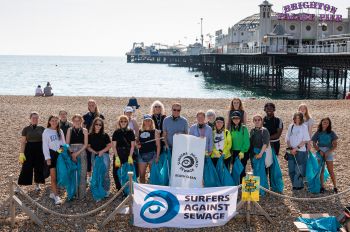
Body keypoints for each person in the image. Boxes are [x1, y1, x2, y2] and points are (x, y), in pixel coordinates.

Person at [18, 112, 46, 191]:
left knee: (39, 167)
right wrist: (21, 153)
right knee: (26, 167)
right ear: (30, 119)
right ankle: (20, 185)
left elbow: (46, 140)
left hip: (39, 149)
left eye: (36, 118)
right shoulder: (26, 129)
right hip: (29, 149)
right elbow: (23, 142)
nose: (35, 119)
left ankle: (38, 184)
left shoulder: (42, 128)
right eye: (33, 118)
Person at [42, 115, 66, 205]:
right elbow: (45, 146)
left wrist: (60, 152)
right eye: (52, 120)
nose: (54, 122)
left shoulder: (60, 131)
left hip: (59, 155)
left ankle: (53, 192)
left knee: (60, 175)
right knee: (53, 177)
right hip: (51, 155)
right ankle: (56, 196)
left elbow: (63, 144)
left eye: (56, 120)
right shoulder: (46, 131)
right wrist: (47, 158)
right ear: (49, 121)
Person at [312, 117, 338, 193]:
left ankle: (335, 186)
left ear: (329, 124)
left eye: (327, 122)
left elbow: (335, 145)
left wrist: (328, 152)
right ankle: (322, 187)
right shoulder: (318, 132)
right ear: (321, 123)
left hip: (328, 152)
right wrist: (319, 151)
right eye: (324, 122)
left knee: (331, 170)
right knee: (321, 170)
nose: (325, 124)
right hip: (320, 152)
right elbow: (314, 143)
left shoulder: (332, 133)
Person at [285, 112, 310, 190]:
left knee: (299, 169)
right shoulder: (290, 126)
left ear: (301, 119)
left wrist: (296, 148)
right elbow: (287, 138)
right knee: (291, 168)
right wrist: (291, 148)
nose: (297, 119)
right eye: (296, 118)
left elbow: (305, 140)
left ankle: (298, 186)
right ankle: (294, 184)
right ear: (293, 118)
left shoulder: (304, 127)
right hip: (290, 150)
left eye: (299, 118)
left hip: (301, 151)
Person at [65, 114, 88, 199]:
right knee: (72, 173)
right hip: (71, 150)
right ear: (73, 121)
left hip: (81, 151)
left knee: (82, 172)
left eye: (79, 120)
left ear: (81, 121)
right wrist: (72, 153)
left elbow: (85, 144)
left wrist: (76, 153)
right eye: (75, 120)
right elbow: (67, 144)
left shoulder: (84, 130)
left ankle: (81, 194)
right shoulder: (69, 130)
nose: (77, 122)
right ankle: (73, 193)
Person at [87, 118, 112, 195]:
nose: (98, 126)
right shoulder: (90, 135)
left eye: (100, 125)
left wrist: (102, 151)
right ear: (93, 125)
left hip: (104, 155)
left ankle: (106, 189)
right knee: (96, 172)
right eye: (96, 124)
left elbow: (109, 145)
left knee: (105, 173)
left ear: (102, 126)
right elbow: (88, 146)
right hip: (94, 155)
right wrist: (93, 151)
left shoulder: (105, 135)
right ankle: (98, 188)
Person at [83, 99, 105, 181]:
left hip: (99, 139)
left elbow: (103, 128)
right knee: (88, 158)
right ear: (88, 106)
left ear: (96, 105)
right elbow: (84, 128)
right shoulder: (85, 116)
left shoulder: (100, 116)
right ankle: (89, 177)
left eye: (93, 105)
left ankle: (97, 176)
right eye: (90, 105)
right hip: (89, 138)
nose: (91, 106)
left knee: (98, 156)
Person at [112, 115, 135, 190]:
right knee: (115, 172)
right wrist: (116, 157)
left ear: (127, 122)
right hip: (118, 153)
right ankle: (119, 189)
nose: (123, 122)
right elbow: (114, 146)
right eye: (121, 121)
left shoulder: (131, 132)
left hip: (128, 153)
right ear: (119, 122)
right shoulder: (116, 132)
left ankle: (127, 189)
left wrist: (130, 156)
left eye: (125, 121)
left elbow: (132, 145)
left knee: (128, 171)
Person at [137, 114, 161, 183]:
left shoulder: (155, 131)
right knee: (141, 175)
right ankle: (142, 191)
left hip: (152, 155)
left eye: (149, 120)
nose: (147, 122)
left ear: (151, 122)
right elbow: (137, 142)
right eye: (146, 120)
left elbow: (158, 145)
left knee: (153, 175)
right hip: (141, 155)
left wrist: (157, 156)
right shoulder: (140, 131)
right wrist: (137, 145)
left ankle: (151, 191)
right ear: (143, 122)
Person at [230, 111, 250, 182]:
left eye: (237, 118)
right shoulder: (231, 128)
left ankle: (242, 185)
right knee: (235, 169)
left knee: (242, 169)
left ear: (240, 119)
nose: (236, 120)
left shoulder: (244, 128)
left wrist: (242, 151)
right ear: (232, 119)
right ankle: (236, 185)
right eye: (234, 118)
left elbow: (247, 142)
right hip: (234, 152)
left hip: (243, 152)